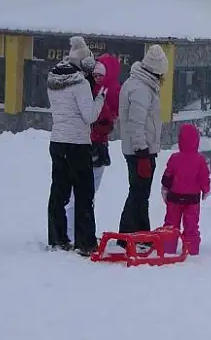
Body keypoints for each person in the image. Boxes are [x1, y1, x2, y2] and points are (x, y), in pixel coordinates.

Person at [46, 36, 106, 256]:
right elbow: (89, 116)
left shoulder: (53, 78)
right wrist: (100, 98)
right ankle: (85, 242)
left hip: (57, 141)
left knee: (58, 193)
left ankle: (57, 238)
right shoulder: (79, 82)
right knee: (84, 194)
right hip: (77, 144)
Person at [63, 54, 121, 243]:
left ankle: (76, 231)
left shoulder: (95, 89)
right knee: (84, 194)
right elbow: (102, 119)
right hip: (90, 146)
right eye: (95, 75)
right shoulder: (100, 92)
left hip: (91, 146)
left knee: (83, 193)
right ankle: (76, 233)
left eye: (100, 75)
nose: (97, 78)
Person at [117, 44, 168, 245]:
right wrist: (143, 152)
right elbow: (136, 124)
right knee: (138, 193)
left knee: (139, 193)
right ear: (155, 71)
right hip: (140, 150)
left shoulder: (140, 85)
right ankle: (129, 235)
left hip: (140, 149)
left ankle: (137, 234)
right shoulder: (140, 89)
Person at [160, 124, 211, 256]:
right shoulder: (200, 160)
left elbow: (168, 175)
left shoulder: (174, 158)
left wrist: (165, 188)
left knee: (171, 223)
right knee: (191, 225)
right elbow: (204, 178)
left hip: (174, 197)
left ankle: (169, 248)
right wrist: (206, 190)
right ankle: (191, 248)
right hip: (192, 199)